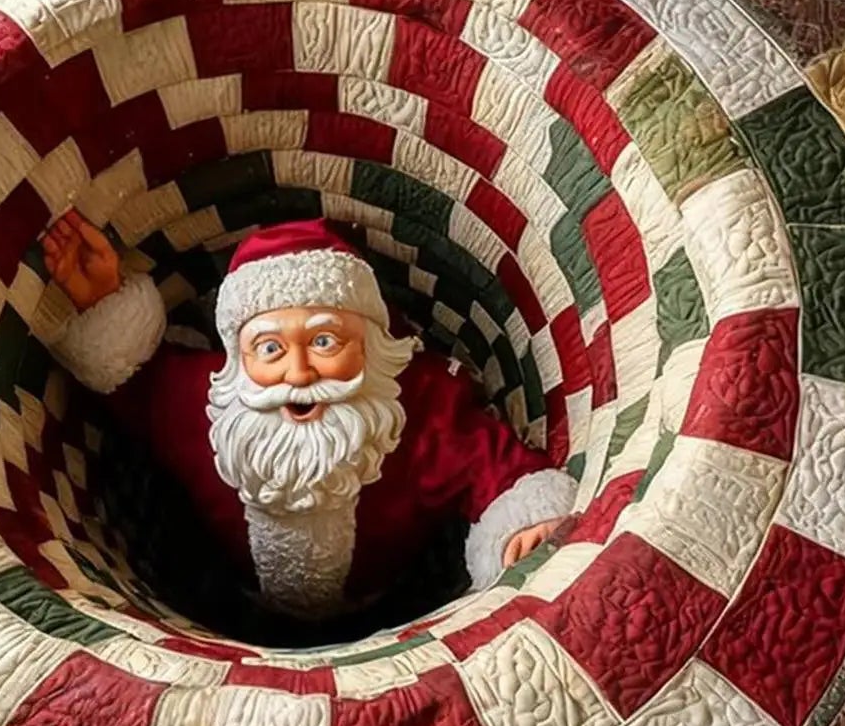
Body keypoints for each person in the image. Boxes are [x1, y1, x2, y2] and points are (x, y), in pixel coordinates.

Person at [44, 212, 574, 621]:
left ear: (366, 343)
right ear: (239, 360)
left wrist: (521, 527)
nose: (299, 372)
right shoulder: (197, 404)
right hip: (228, 601)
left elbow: (501, 473)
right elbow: (134, 380)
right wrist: (105, 300)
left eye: (324, 341)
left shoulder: (421, 409)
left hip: (391, 601)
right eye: (270, 349)